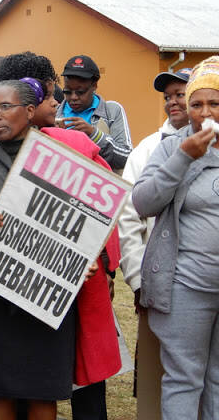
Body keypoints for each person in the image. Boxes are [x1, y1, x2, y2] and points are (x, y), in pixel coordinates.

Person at [0, 80, 86, 420]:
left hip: (46, 296)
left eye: (5, 107)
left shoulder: (59, 160)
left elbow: (82, 223)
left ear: (31, 111)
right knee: (0, 387)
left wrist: (84, 258)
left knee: (42, 390)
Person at [132, 56, 219, 419]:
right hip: (186, 286)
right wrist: (183, 159)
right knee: (185, 378)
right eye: (195, 103)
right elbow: (143, 201)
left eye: (214, 103)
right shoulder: (172, 147)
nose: (203, 112)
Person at [118, 68, 190, 416]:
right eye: (168, 97)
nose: (173, 102)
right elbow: (128, 221)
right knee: (154, 381)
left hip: (205, 280)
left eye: (181, 94)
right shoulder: (148, 149)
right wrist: (136, 281)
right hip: (158, 285)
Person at [57, 55, 132, 171]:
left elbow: (126, 157)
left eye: (80, 92)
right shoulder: (54, 113)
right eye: (67, 92)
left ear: (94, 86)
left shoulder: (112, 111)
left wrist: (94, 134)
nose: (73, 97)